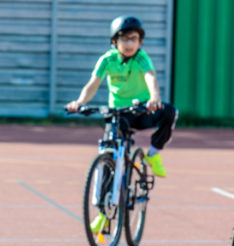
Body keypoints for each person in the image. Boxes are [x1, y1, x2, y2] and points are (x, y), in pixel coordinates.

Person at [65, 15, 177, 178]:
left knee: (170, 112)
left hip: (142, 110)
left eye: (134, 39)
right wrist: (79, 102)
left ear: (140, 42)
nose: (129, 44)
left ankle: (153, 155)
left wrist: (154, 97)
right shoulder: (107, 59)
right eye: (124, 39)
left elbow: (150, 76)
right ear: (114, 42)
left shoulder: (141, 58)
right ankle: (108, 183)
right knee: (110, 147)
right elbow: (93, 84)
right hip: (119, 113)